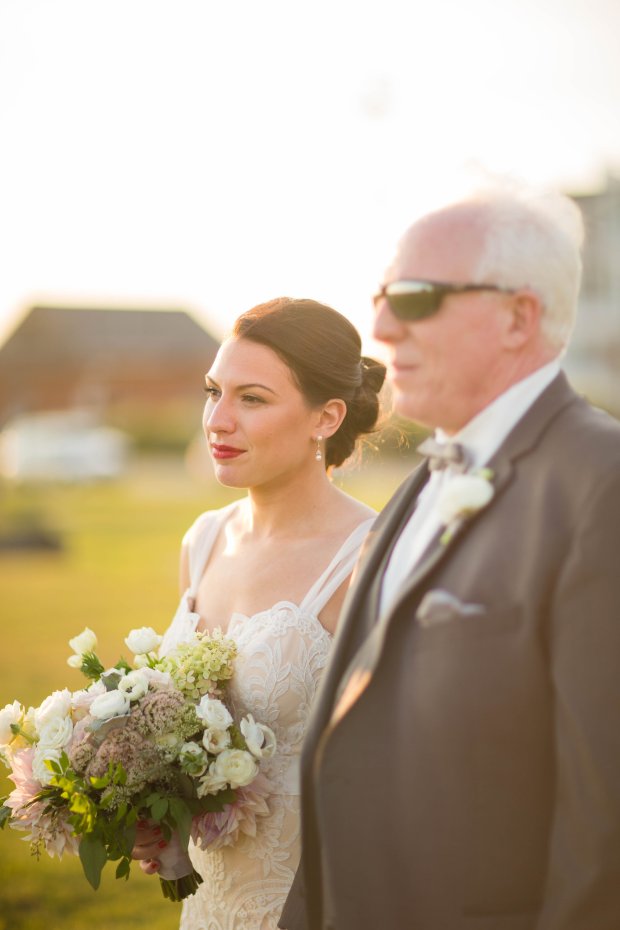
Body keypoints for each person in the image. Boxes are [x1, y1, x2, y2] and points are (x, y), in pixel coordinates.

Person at [280, 183, 620, 930]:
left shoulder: (602, 485)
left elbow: (606, 831)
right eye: (381, 297)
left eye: (415, 298)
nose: (379, 326)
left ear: (518, 317)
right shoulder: (415, 489)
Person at [132, 297, 385, 930]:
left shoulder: (373, 558)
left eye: (252, 398)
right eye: (213, 392)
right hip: (206, 909)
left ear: (326, 417)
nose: (218, 420)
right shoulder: (203, 540)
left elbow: (403, 774)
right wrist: (156, 811)